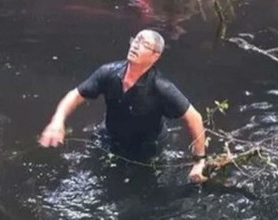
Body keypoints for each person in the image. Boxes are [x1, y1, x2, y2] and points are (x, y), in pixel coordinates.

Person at [38, 29, 208, 183]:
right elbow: (76, 95)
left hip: (146, 148)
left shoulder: (161, 88)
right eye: (136, 40)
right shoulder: (109, 72)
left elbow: (194, 118)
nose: (135, 45)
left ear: (155, 56)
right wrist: (57, 121)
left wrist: (199, 161)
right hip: (110, 137)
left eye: (144, 44)